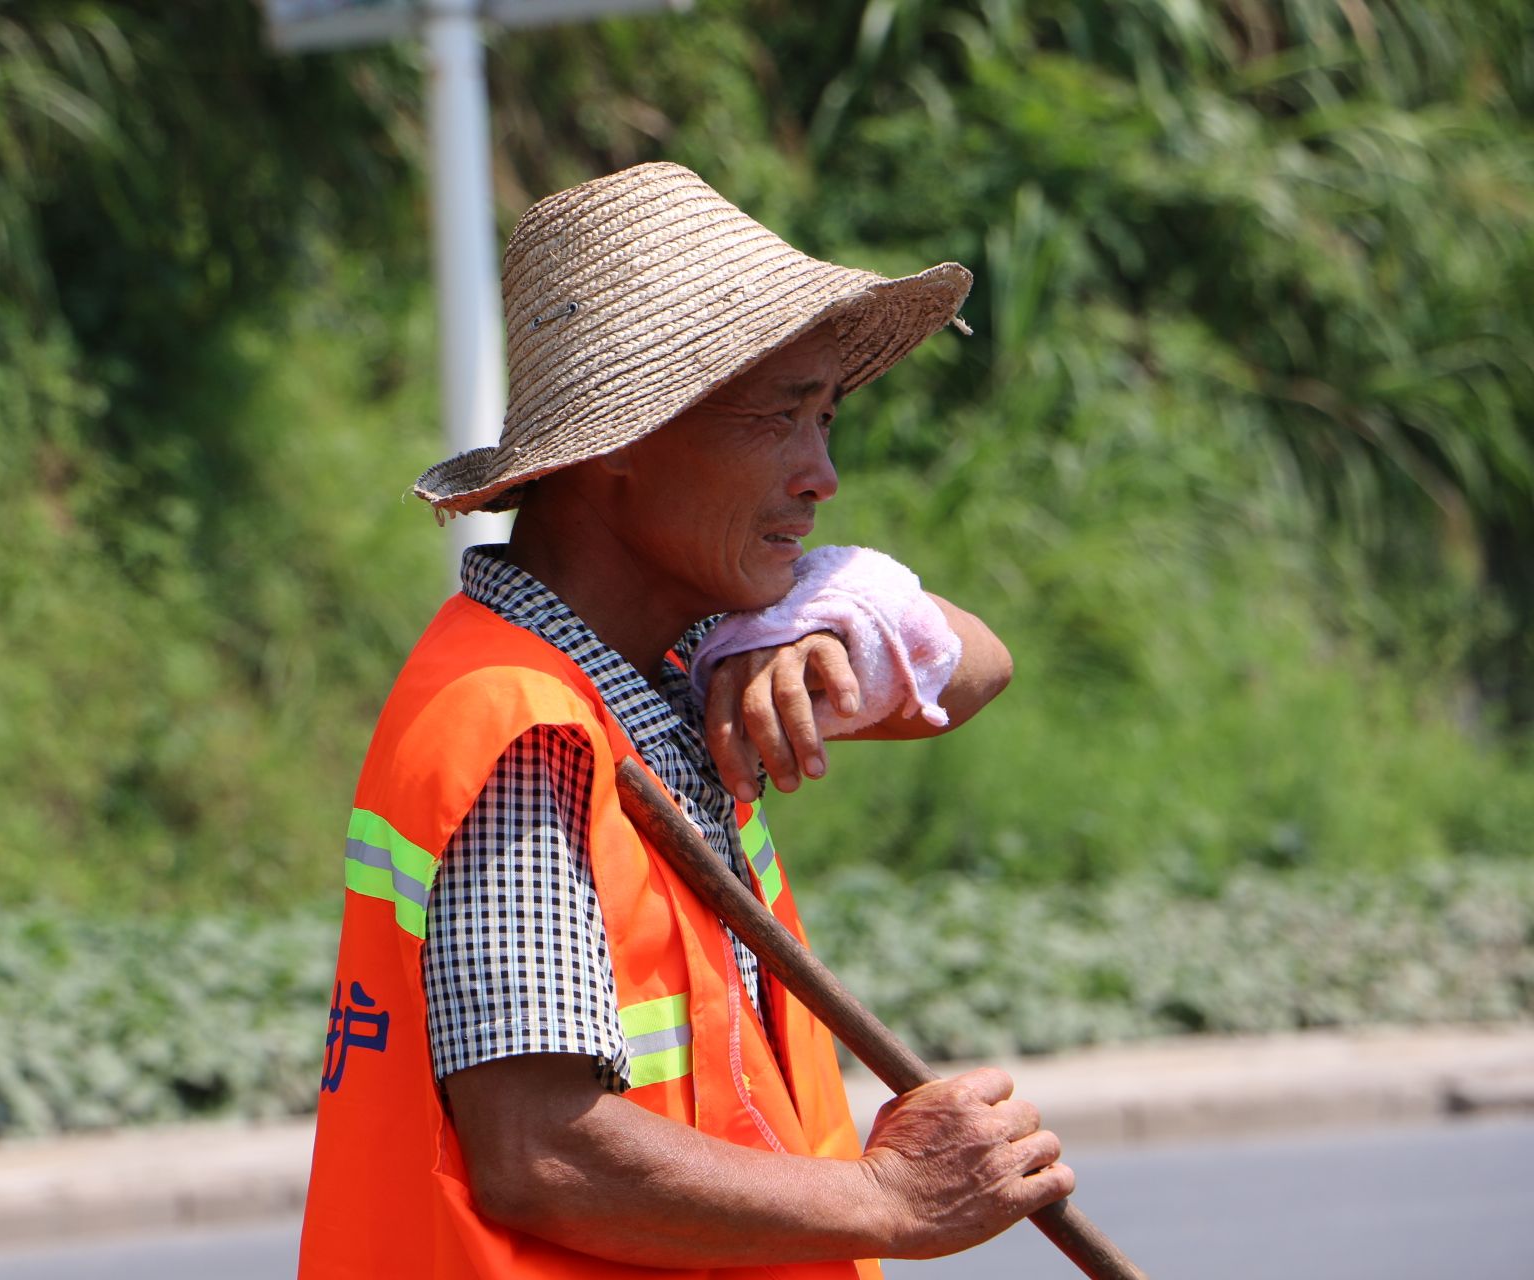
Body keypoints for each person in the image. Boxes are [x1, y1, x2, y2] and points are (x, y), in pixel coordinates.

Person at [298, 162, 1073, 1279]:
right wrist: (888, 1196)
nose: (824, 475)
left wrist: (831, 619)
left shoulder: (678, 661)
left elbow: (976, 663)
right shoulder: (523, 730)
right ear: (621, 442)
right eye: (780, 419)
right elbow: (542, 1148)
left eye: (826, 417)